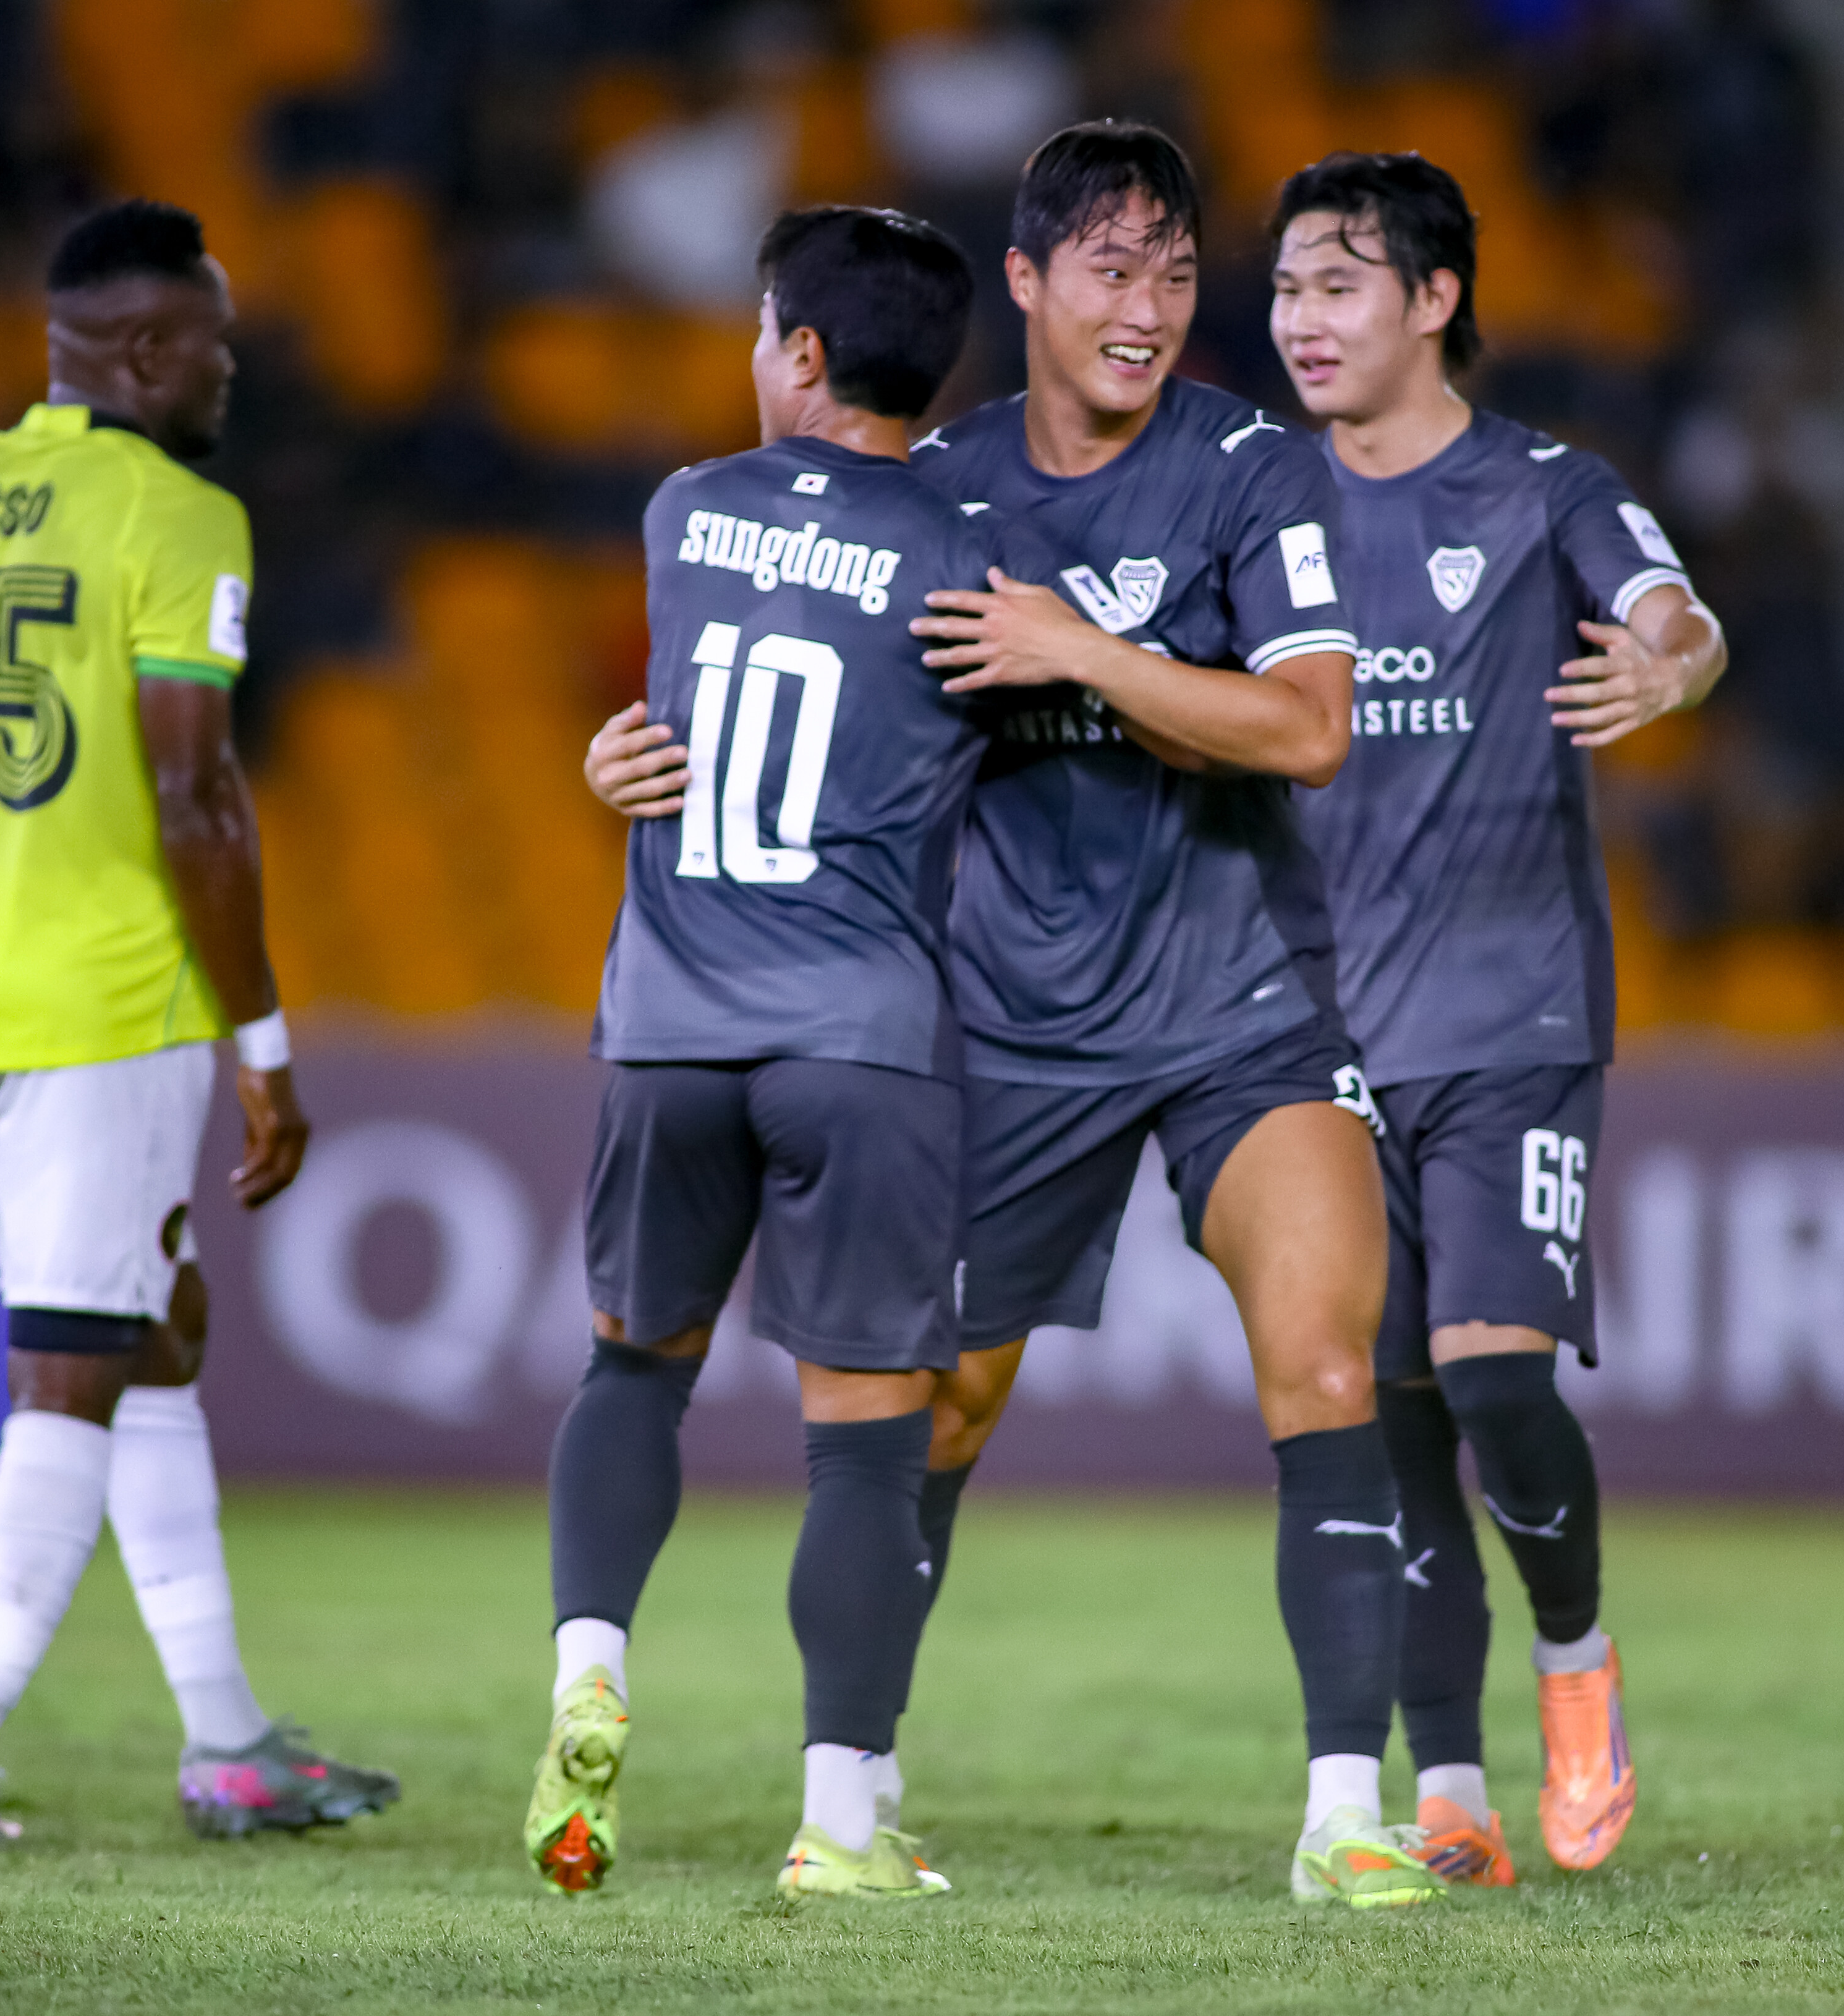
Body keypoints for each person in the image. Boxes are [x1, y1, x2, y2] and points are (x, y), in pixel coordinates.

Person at [585, 121, 1442, 1907]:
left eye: (1177, 275)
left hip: (1242, 1007)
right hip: (1003, 1023)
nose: (1151, 309)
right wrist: (636, 766)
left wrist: (1089, 654)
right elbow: (798, 724)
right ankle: (859, 1790)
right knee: (940, 1417)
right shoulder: (937, 489)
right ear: (1030, 282)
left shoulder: (1252, 472)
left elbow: (1308, 730)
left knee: (1325, 1365)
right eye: (1114, 270)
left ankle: (1343, 1815)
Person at [0, 198, 394, 1845]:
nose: (229, 364)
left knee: (154, 1331)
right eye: (211, 339)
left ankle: (229, 1741)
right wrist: (262, 1045)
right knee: (69, 1373)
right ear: (141, 349)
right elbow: (197, 794)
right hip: (105, 1004)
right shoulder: (176, 515)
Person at [525, 205, 1042, 1902]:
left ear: (803, 354)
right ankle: (838, 1822)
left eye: (764, 327)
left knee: (630, 1373)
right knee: (866, 1448)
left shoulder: (685, 509)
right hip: (863, 1038)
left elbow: (685, 713)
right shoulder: (970, 560)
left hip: (669, 1024)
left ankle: (590, 1664)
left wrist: (609, 768)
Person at [1264, 151, 1727, 1883]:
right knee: (1391, 1419)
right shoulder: (1259, 503)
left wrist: (1670, 660)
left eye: (1338, 285)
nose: (1301, 320)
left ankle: (1575, 1653)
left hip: (1512, 1014)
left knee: (1492, 1376)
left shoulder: (1545, 490)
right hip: (1318, 1036)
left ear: (1434, 297)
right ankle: (1450, 1791)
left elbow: (1677, 614)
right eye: (1287, 288)